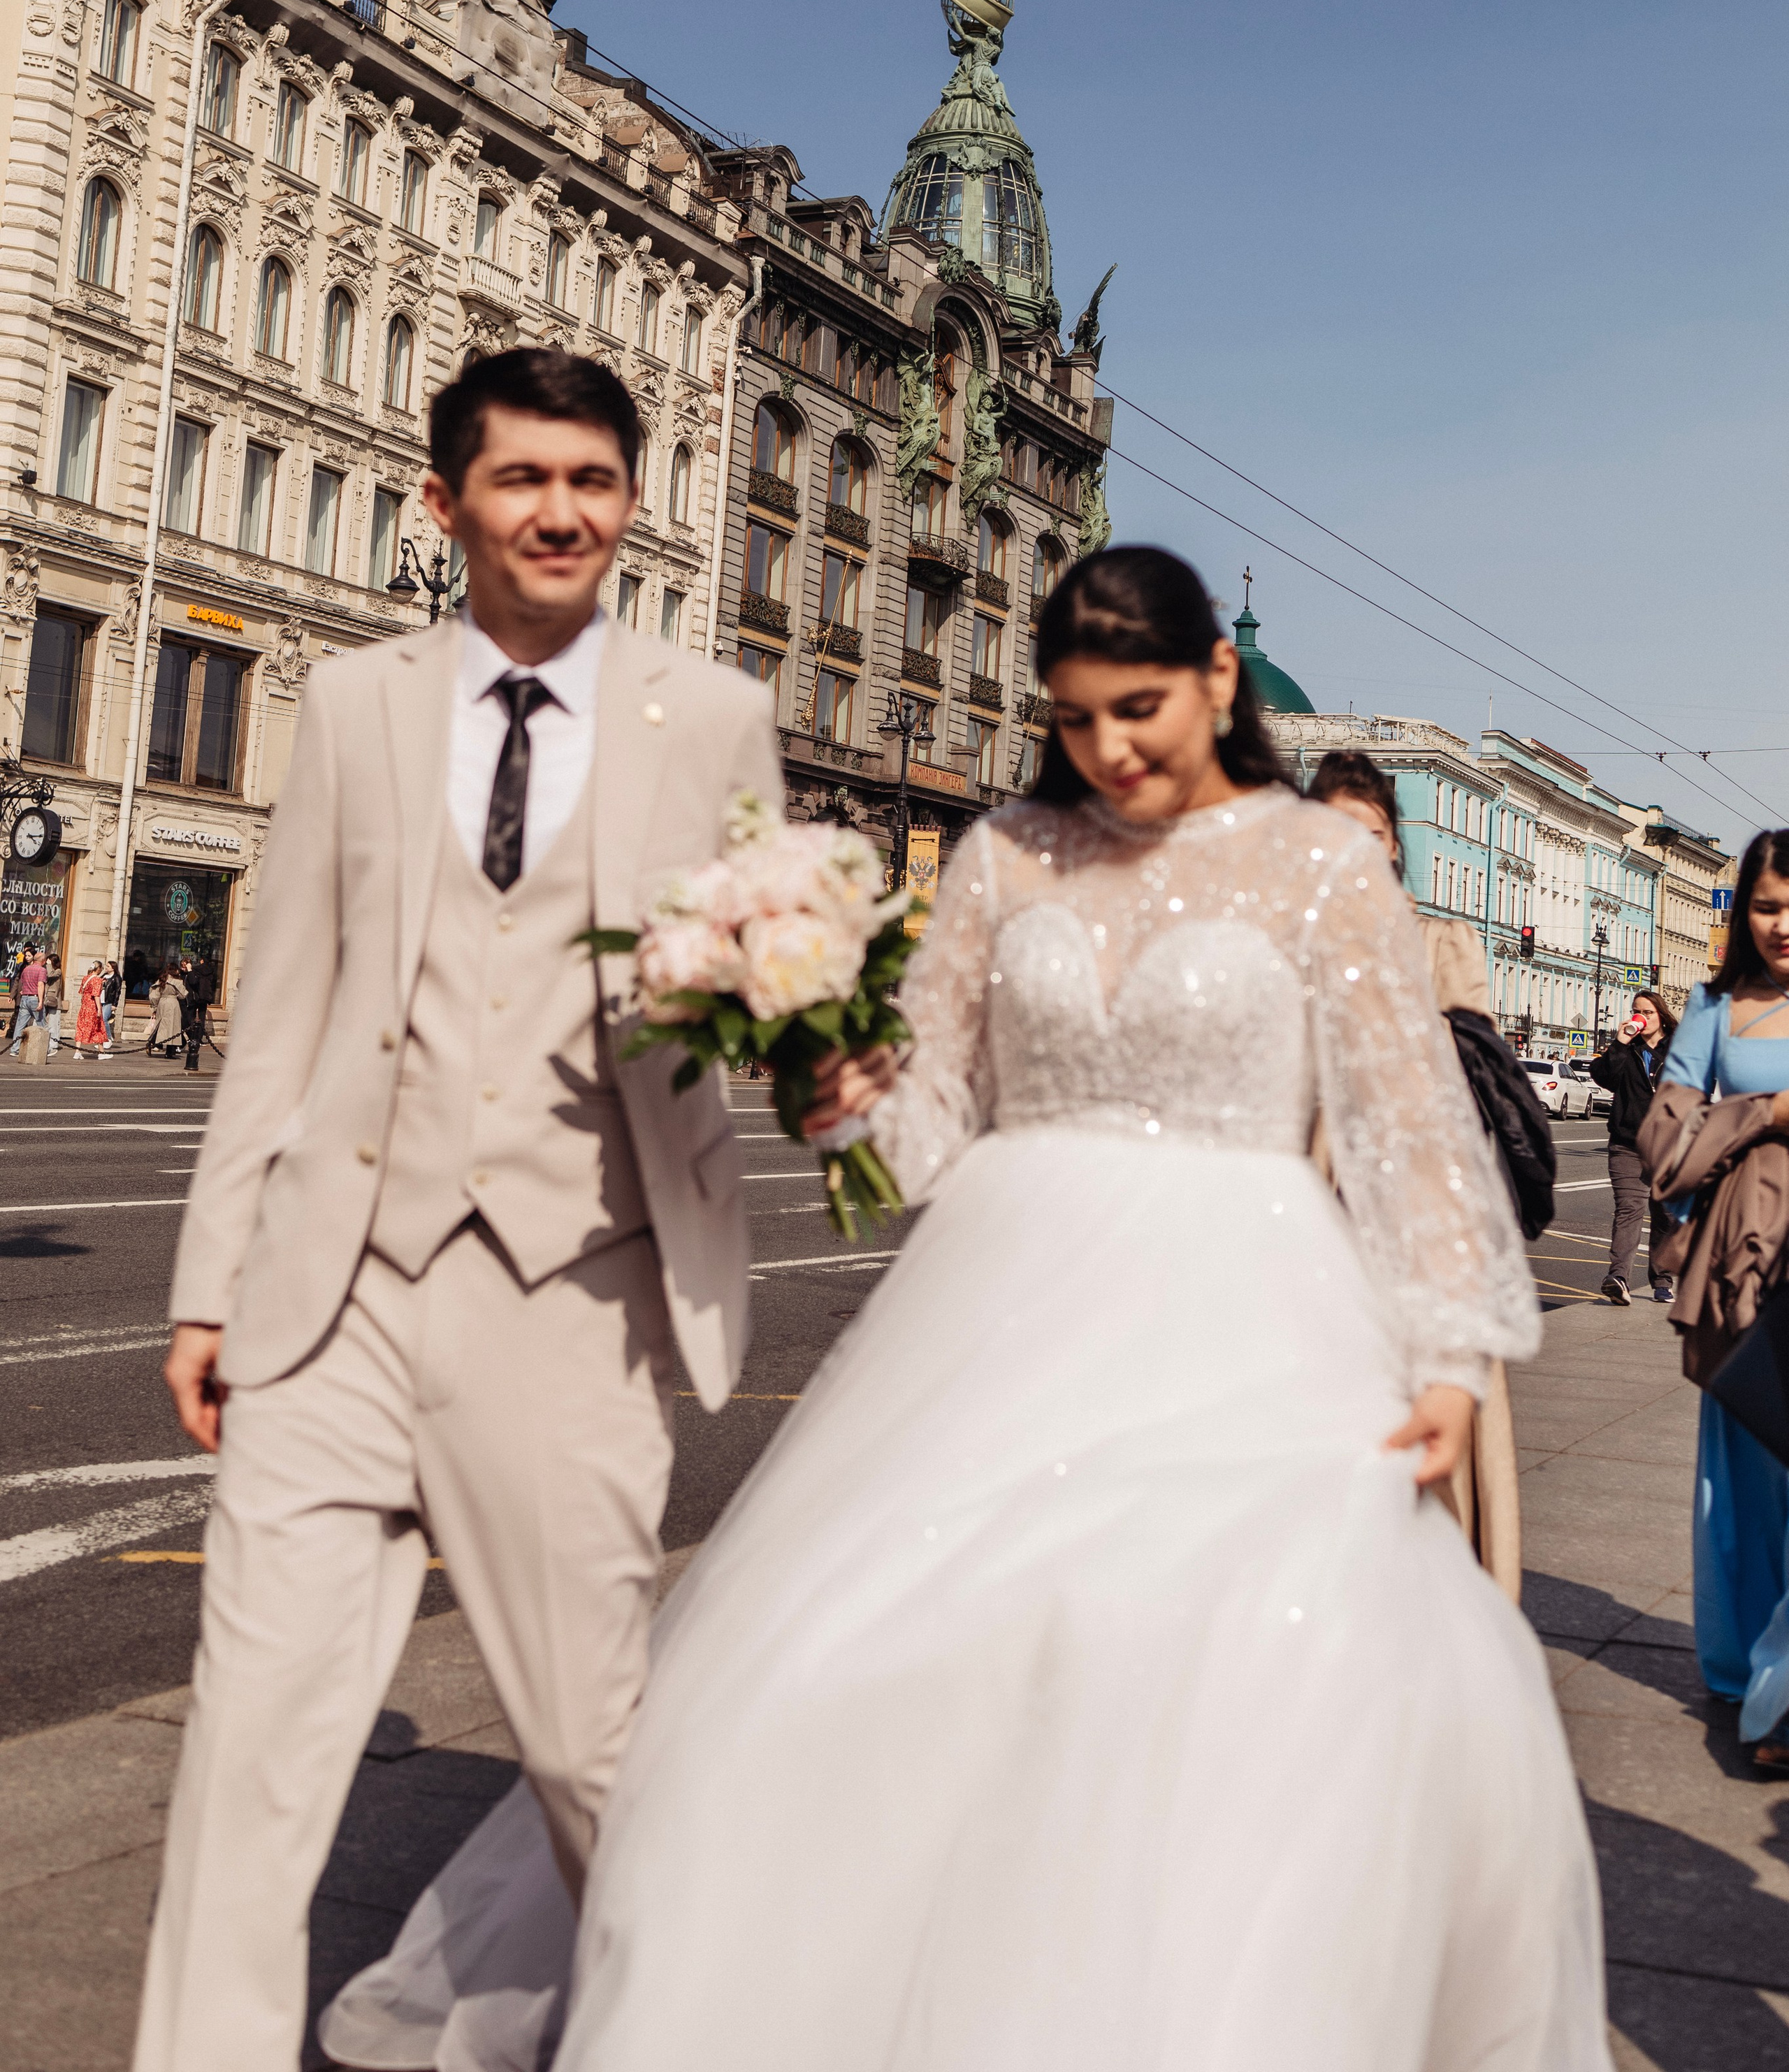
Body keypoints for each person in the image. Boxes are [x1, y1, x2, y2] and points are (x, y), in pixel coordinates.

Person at [322, 546, 1607, 2072]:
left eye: (1137, 712)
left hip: (1249, 1305)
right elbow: (932, 1125)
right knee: (874, 1659)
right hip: (1008, 1294)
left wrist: (1449, 1354)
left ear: (1214, 681)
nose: (1108, 754)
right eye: (1071, 722)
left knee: (1249, 1671)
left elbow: (1404, 1126)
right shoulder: (1005, 856)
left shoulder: (1317, 867)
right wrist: (829, 1081)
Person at [131, 348, 782, 2072]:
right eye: (520, 479)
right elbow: (278, 1015)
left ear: (629, 501)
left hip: (573, 1293)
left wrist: (786, 1011)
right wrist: (211, 1285)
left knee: (589, 1751)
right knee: (249, 1768)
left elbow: (764, 993)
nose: (560, 510)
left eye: (591, 478)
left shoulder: (711, 717)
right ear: (447, 501)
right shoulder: (352, 705)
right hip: (329, 1296)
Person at [1303, 748, 1526, 1599]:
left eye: (1368, 833)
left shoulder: (1438, 943)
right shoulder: (1288, 946)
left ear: (1393, 845)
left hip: (1415, 1215)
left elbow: (1476, 1090)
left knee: (1424, 1448)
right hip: (1307, 1216)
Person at [1654, 827, 1789, 1773]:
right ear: (1741, 911)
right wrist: (1766, 1115)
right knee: (1743, 1489)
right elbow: (1664, 1143)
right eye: (1770, 904)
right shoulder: (1712, 1010)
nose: (1786, 924)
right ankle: (1750, 1680)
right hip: (1746, 1277)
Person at [1590, 989, 1677, 1305]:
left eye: (1648, 1012)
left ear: (1662, 1016)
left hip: (1669, 1146)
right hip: (1627, 1144)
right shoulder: (1628, 1051)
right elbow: (1602, 1076)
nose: (1640, 1018)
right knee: (1630, 1209)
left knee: (1666, 1215)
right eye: (1636, 1011)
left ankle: (1663, 1280)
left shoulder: (1680, 1049)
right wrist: (1620, 1043)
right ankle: (1619, 1278)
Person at [180, 954, 217, 1073]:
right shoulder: (212, 971)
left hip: (196, 997)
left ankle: (193, 1038)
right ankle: (199, 1039)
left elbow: (193, 982)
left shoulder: (196, 969)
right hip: (206, 997)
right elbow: (214, 984)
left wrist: (190, 970)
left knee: (190, 1017)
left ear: (201, 961)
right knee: (201, 1017)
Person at [7, 947, 44, 1058]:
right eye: (26, 956)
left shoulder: (26, 969)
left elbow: (22, 982)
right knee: (42, 1024)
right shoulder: (40, 969)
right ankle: (47, 1048)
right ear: (42, 961)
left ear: (34, 957)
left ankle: (15, 1048)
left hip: (25, 998)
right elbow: (40, 985)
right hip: (33, 998)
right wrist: (41, 1001)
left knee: (20, 1025)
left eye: (28, 956)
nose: (26, 958)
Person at [150, 966, 185, 1059]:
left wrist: (155, 1007)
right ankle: (170, 1052)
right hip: (173, 1003)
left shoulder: (162, 980)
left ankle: (153, 1042)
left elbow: (154, 995)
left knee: (160, 1025)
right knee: (173, 1027)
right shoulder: (177, 982)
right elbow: (183, 995)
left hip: (162, 1002)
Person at [74, 960, 106, 1057]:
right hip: (92, 1007)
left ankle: (77, 1052)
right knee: (98, 1028)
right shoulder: (97, 980)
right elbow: (96, 995)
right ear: (99, 969)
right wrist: (99, 1009)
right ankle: (101, 1053)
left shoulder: (85, 978)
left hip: (84, 1006)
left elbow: (82, 992)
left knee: (81, 1027)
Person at [40, 953, 64, 1059]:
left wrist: (48, 964)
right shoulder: (47, 970)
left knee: (54, 1024)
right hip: (46, 999)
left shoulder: (58, 971)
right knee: (41, 1021)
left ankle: (54, 1045)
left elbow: (50, 975)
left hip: (54, 1000)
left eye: (49, 961)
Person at [99, 959, 121, 1053]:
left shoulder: (116, 978)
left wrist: (115, 1004)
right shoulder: (104, 976)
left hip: (109, 1001)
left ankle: (108, 1038)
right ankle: (101, 1041)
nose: (106, 968)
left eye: (108, 966)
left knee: (104, 1019)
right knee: (100, 1020)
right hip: (101, 1000)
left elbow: (118, 992)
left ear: (113, 968)